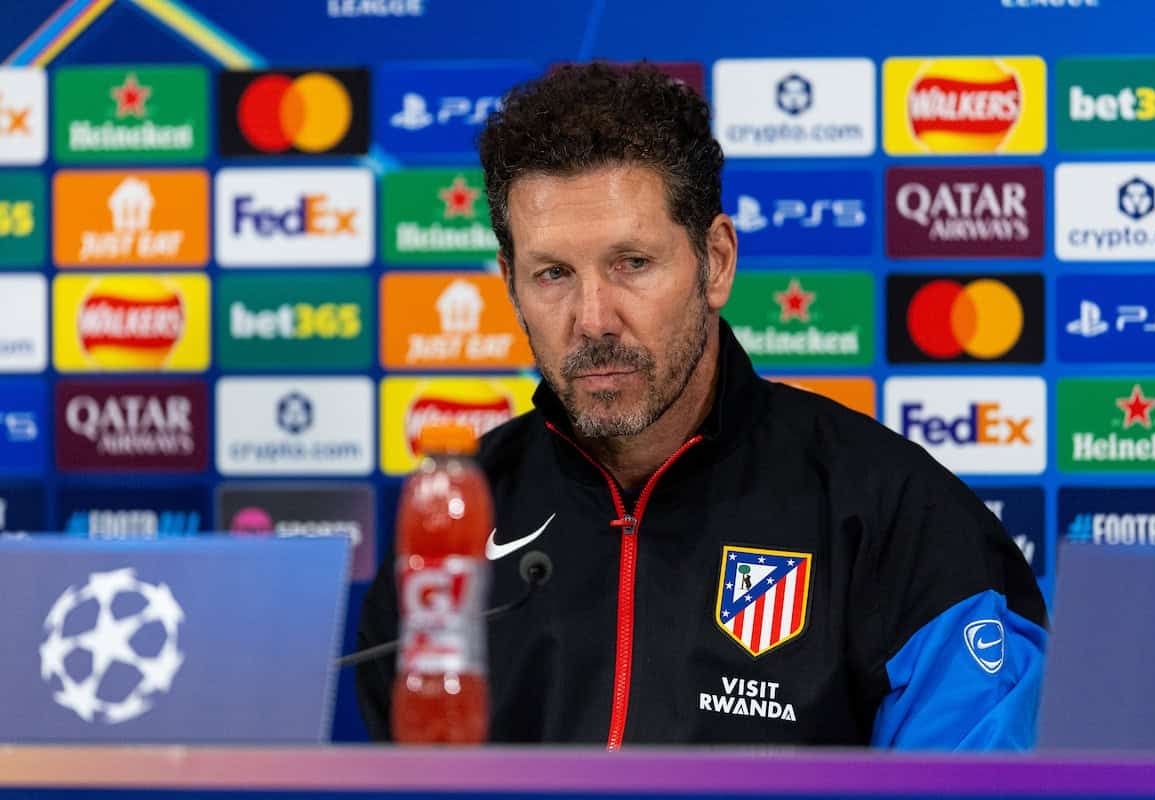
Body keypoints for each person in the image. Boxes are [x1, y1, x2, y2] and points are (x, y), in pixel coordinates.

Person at [357, 62, 1047, 749]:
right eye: (554, 274)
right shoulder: (450, 527)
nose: (593, 318)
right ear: (511, 284)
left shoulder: (894, 513)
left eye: (632, 263)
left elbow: (976, 780)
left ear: (715, 262)